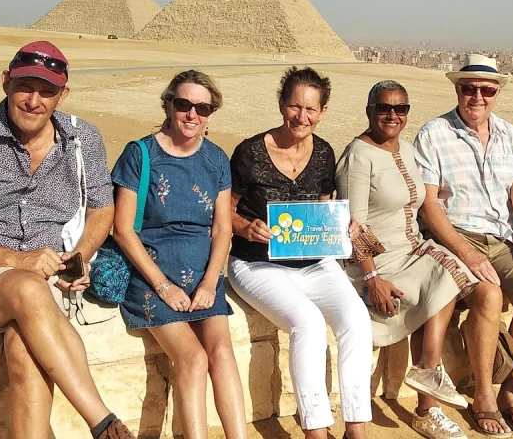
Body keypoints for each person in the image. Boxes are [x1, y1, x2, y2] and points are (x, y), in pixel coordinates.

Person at [0, 41, 135, 439]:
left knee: (25, 354)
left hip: (48, 273)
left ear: (62, 95)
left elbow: (102, 211)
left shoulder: (82, 138)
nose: (34, 100)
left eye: (47, 91)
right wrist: (18, 261)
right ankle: (102, 420)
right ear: (5, 82)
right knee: (28, 289)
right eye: (25, 87)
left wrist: (78, 259)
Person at [228, 67, 372, 439]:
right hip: (257, 263)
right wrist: (246, 227)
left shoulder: (324, 153)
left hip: (314, 263)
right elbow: (223, 210)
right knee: (306, 322)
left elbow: (323, 208)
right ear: (281, 104)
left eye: (311, 109)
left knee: (355, 317)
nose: (301, 117)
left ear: (323, 112)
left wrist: (342, 226)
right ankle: (316, 430)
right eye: (295, 106)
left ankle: (356, 427)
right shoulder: (249, 153)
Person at [413, 55, 513, 438]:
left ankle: (510, 389)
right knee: (488, 296)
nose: (477, 96)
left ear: (497, 93)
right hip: (457, 238)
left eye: (486, 89)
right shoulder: (434, 133)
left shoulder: (510, 135)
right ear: (457, 90)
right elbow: (429, 204)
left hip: (504, 239)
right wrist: (466, 251)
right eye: (468, 88)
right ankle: (484, 396)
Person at [336, 80, 479, 439]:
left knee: (454, 268)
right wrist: (372, 278)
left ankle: (428, 368)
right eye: (384, 108)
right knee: (444, 273)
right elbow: (354, 227)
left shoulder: (408, 150)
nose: (392, 115)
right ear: (369, 111)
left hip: (411, 250)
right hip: (376, 261)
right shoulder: (359, 155)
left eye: (401, 109)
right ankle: (428, 394)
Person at [111, 70, 247, 439]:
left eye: (201, 108)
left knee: (221, 354)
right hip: (152, 276)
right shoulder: (140, 154)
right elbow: (123, 230)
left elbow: (221, 228)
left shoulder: (217, 159)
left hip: (203, 274)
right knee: (193, 358)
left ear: (210, 114)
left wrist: (209, 282)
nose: (192, 114)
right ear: (169, 105)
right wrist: (164, 285)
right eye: (184, 104)